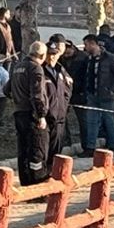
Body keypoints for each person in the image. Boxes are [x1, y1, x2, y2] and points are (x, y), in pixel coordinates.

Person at [6, 42, 50, 186]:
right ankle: (37, 184)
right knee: (37, 150)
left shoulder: (18, 66)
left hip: (18, 113)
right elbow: (37, 94)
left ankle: (25, 182)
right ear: (42, 55)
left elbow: (6, 89)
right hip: (32, 114)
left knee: (23, 149)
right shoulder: (35, 68)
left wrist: (17, 97)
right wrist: (41, 114)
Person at [79, 34, 114, 155]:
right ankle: (90, 148)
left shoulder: (110, 57)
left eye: (86, 45)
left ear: (93, 44)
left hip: (107, 96)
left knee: (109, 120)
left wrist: (112, 89)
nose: (85, 47)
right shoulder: (89, 59)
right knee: (91, 121)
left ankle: (113, 146)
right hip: (92, 95)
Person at [42, 35, 73, 165]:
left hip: (60, 115)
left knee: (56, 151)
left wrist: (64, 105)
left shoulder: (61, 70)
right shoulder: (40, 70)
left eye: (54, 54)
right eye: (49, 54)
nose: (52, 57)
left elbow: (68, 87)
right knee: (44, 150)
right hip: (46, 116)